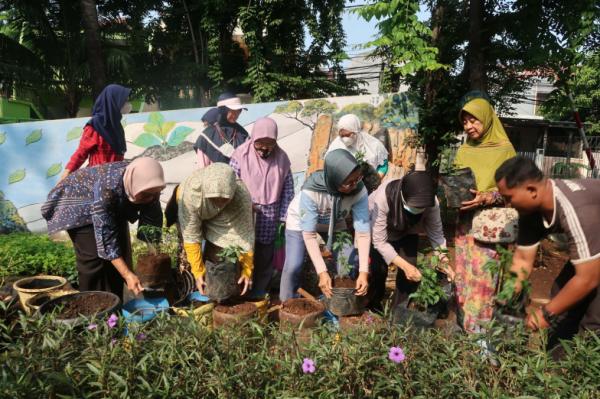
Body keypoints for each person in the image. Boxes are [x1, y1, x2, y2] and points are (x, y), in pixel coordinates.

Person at [495, 156, 600, 346]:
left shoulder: (574, 210)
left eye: (509, 197)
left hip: (594, 250)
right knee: (561, 297)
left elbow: (587, 279)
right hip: (595, 246)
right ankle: (555, 363)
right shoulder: (529, 212)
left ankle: (583, 365)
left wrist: (543, 315)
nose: (507, 204)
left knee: (594, 319)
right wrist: (507, 299)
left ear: (531, 190)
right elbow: (522, 260)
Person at [41, 157, 166, 300]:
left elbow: (152, 222)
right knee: (94, 259)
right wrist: (127, 274)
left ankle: (115, 303)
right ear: (133, 185)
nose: (150, 199)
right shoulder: (107, 190)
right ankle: (92, 307)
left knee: (121, 248)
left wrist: (154, 252)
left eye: (155, 194)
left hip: (110, 199)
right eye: (145, 195)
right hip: (77, 204)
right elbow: (107, 242)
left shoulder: (148, 183)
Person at [453, 95, 516, 333]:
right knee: (463, 275)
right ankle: (464, 328)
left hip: (491, 223)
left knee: (484, 279)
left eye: (474, 120)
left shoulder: (505, 150)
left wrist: (489, 196)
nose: (469, 126)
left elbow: (515, 188)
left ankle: (481, 336)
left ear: (487, 119)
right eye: (465, 122)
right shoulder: (465, 149)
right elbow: (458, 181)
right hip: (464, 222)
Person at [279, 149, 371, 301]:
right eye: (348, 182)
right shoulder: (312, 190)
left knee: (348, 263)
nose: (354, 185)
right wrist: (322, 272)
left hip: (334, 222)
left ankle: (338, 302)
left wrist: (363, 272)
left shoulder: (359, 191)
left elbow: (363, 233)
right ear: (334, 179)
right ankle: (288, 304)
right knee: (293, 265)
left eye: (357, 179)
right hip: (300, 222)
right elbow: (309, 235)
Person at [368, 171, 452, 311]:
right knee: (378, 269)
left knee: (411, 269)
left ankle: (400, 311)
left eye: (421, 208)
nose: (418, 210)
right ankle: (373, 305)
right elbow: (379, 242)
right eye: (414, 206)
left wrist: (444, 261)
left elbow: (437, 235)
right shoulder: (383, 197)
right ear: (403, 196)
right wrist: (403, 265)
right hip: (382, 230)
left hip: (409, 232)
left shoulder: (431, 202)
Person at [230, 117, 294, 297]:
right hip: (244, 211)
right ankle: (239, 291)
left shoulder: (282, 158)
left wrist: (283, 217)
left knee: (265, 254)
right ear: (253, 138)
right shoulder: (240, 154)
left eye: (269, 144)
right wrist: (243, 203)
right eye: (260, 143)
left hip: (270, 213)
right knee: (242, 250)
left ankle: (259, 290)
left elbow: (288, 190)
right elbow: (231, 183)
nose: (264, 148)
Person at [174, 163, 255, 296]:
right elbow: (191, 236)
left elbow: (245, 236)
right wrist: (198, 272)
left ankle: (223, 290)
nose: (219, 203)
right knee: (189, 260)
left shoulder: (241, 196)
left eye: (224, 199)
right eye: (215, 199)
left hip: (226, 214)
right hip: (191, 208)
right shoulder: (190, 194)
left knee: (220, 253)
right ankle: (189, 291)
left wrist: (247, 270)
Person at [60, 84, 132, 181]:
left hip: (115, 181)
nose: (127, 104)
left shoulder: (117, 127)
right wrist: (65, 175)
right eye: (124, 101)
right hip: (98, 181)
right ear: (113, 102)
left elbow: (118, 156)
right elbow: (81, 153)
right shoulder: (94, 126)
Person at [193, 93, 249, 167]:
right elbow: (203, 169)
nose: (236, 115)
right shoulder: (207, 136)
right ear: (223, 111)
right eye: (232, 111)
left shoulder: (242, 134)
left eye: (238, 111)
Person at [326, 113, 389, 179]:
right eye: (342, 136)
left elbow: (383, 166)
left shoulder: (373, 145)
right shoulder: (336, 146)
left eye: (348, 135)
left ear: (356, 131)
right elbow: (329, 167)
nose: (345, 139)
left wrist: (376, 181)